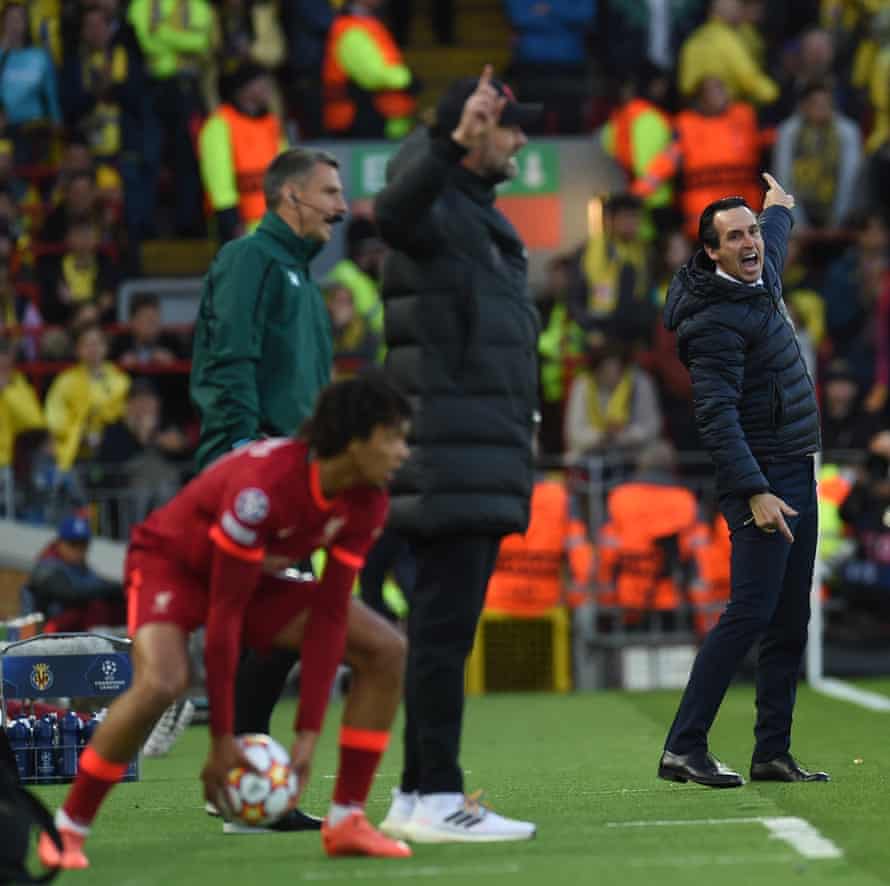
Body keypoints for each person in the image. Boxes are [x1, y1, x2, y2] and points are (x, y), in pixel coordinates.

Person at [39, 373, 414, 870]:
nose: (403, 452)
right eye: (393, 437)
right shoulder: (264, 489)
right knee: (162, 682)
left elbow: (328, 616)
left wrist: (306, 737)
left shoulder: (368, 500)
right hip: (172, 563)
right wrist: (223, 742)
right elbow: (225, 617)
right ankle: (67, 830)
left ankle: (347, 821)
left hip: (254, 574)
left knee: (386, 649)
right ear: (354, 441)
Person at [189, 147, 408, 836]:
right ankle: (236, 780)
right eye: (330, 194)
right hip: (260, 480)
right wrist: (242, 460)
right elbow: (230, 364)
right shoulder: (249, 261)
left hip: (296, 481)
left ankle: (240, 782)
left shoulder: (297, 276)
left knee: (281, 635)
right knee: (282, 631)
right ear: (288, 198)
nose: (342, 208)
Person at [373, 65, 540, 842]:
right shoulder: (434, 204)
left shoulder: (469, 211)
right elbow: (393, 209)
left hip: (470, 454)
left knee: (442, 631)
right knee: (443, 633)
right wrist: (447, 139)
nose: (521, 138)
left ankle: (415, 796)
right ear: (471, 134)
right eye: (509, 126)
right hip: (452, 457)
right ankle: (437, 794)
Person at [658, 174, 828, 787]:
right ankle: (683, 746)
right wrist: (756, 490)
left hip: (794, 464)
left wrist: (776, 207)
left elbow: (774, 242)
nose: (750, 242)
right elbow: (716, 416)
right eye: (734, 236)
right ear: (712, 252)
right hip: (761, 475)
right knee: (750, 613)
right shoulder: (713, 323)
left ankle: (772, 753)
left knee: (788, 618)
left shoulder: (759, 276)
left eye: (751, 230)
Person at [21, 513, 125, 633]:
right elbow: (72, 592)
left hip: (75, 637)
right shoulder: (46, 567)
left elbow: (98, 586)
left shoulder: (82, 569)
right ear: (60, 543)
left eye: (83, 545)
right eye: (73, 545)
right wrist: (112, 589)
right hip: (43, 639)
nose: (78, 551)